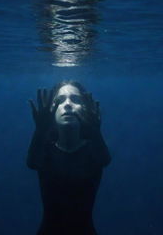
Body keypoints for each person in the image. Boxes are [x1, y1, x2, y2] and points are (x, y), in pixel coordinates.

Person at [27, 81, 111, 235]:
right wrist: (40, 130)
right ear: (52, 111)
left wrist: (96, 132)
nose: (67, 104)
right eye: (59, 101)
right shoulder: (45, 152)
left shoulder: (93, 152)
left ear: (86, 109)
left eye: (76, 100)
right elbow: (32, 162)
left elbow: (104, 159)